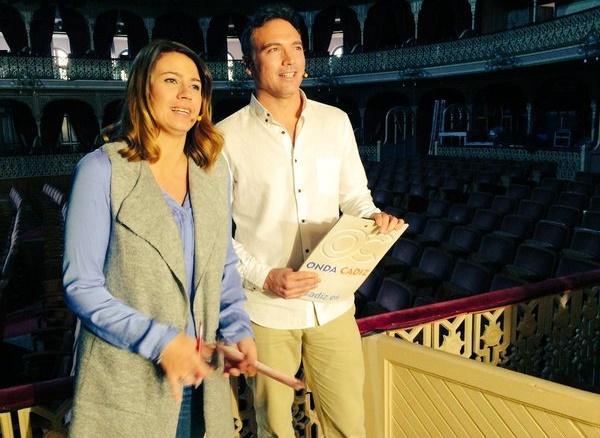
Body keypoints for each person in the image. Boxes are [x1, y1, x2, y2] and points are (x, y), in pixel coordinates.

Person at [217, 4, 403, 437]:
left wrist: (374, 221)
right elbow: (214, 235)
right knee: (273, 429)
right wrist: (265, 277)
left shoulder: (335, 122)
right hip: (265, 312)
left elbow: (356, 198)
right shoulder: (224, 137)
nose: (289, 59)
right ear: (249, 65)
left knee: (349, 425)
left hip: (333, 306)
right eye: (273, 50)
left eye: (296, 47)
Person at [63, 39, 256, 438]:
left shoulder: (213, 172)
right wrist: (161, 341)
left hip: (202, 379)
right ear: (142, 90)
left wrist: (238, 330)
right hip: (126, 379)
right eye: (171, 80)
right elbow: (81, 286)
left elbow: (223, 267)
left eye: (196, 86)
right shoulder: (101, 170)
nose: (186, 94)